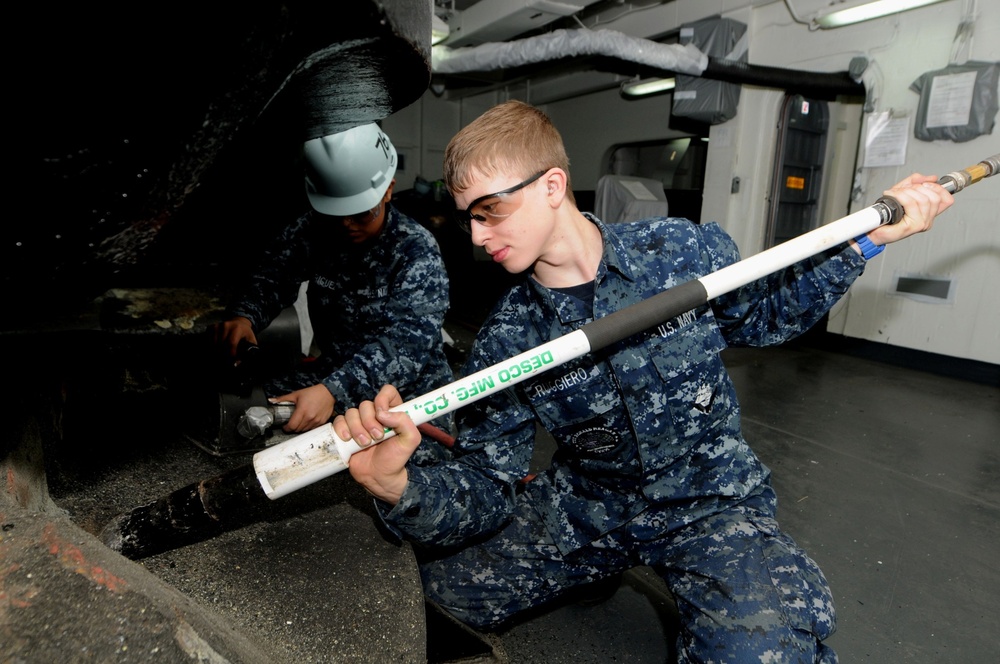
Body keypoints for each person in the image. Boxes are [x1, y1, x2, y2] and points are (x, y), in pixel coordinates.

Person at [333, 101, 953, 661]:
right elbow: (488, 482)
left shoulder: (679, 252)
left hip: (708, 498)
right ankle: (596, 568)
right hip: (587, 505)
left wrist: (868, 240)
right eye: (466, 217)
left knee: (759, 653)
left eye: (490, 211)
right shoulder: (508, 339)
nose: (476, 235)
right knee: (430, 601)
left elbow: (766, 317)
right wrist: (400, 486)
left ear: (553, 186)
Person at [214, 122, 453, 440]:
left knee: (389, 475)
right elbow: (272, 277)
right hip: (333, 372)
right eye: (335, 214)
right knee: (245, 406)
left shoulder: (415, 250)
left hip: (408, 393)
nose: (348, 225)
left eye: (361, 213)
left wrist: (333, 391)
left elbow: (404, 349)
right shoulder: (312, 230)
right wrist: (244, 315)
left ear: (388, 190)